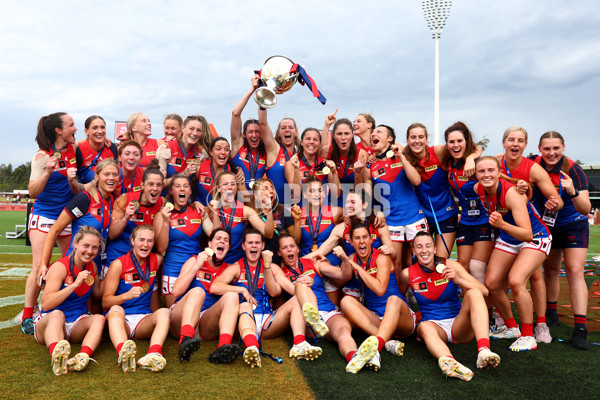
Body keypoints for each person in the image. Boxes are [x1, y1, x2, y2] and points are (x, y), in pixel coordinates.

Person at [271, 233, 385, 373]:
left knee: (343, 331)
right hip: (304, 319)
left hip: (328, 312)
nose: (289, 250)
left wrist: (344, 259)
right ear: (279, 252)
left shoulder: (314, 263)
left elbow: (344, 275)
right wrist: (307, 283)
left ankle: (353, 356)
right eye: (284, 247)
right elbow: (277, 294)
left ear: (298, 249)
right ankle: (314, 318)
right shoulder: (280, 273)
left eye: (292, 246)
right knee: (301, 285)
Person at [211, 230, 322, 367]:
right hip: (244, 319)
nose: (254, 246)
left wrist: (268, 267)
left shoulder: (273, 267)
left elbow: (277, 292)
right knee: (245, 305)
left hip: (268, 322)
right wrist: (241, 289)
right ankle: (252, 347)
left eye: (257, 242)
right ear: (243, 246)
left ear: (263, 246)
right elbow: (215, 286)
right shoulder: (236, 267)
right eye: (250, 243)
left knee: (296, 299)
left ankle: (299, 343)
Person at [399, 232, 501, 381]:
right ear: (413, 251)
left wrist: (459, 280)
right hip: (434, 327)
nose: (424, 250)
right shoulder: (407, 274)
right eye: (419, 247)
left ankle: (484, 350)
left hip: (458, 324)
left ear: (435, 249)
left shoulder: (450, 265)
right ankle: (450, 362)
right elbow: (400, 297)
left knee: (474, 293)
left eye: (428, 246)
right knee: (424, 326)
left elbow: (484, 291)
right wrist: (413, 317)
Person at [475, 156, 552, 352]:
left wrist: (501, 224)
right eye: (481, 171)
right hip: (509, 238)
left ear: (499, 171)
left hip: (535, 237)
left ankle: (528, 336)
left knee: (517, 280)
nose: (486, 175)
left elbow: (527, 234)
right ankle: (512, 328)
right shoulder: (478, 189)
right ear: (475, 174)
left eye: (491, 170)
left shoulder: (511, 193)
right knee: (491, 284)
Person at [498, 126, 564, 344]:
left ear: (526, 145)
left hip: (532, 229)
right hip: (505, 229)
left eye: (520, 140)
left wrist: (554, 202)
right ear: (504, 142)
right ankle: (503, 320)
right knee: (497, 279)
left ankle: (541, 324)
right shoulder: (496, 163)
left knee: (534, 276)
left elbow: (558, 200)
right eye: (511, 139)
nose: (515, 144)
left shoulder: (533, 169)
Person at [22, 112, 80, 335]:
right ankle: (28, 315)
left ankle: (65, 306)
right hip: (44, 216)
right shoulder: (42, 156)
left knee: (71, 264)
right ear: (59, 130)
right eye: (72, 125)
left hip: (66, 216)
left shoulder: (73, 149)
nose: (75, 128)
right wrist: (48, 172)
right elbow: (32, 191)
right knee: (39, 266)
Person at [533, 131, 591, 350]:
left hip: (573, 222)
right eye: (546, 148)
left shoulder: (574, 169)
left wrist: (573, 191)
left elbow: (586, 208)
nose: (551, 152)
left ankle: (580, 328)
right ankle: (552, 313)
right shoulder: (534, 166)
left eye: (556, 148)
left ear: (563, 147)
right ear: (539, 149)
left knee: (575, 270)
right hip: (547, 224)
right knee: (550, 269)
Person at [336, 222, 416, 373]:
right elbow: (342, 278)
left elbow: (380, 290)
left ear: (371, 239)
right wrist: (331, 263)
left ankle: (375, 350)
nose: (361, 241)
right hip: (378, 319)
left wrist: (358, 268)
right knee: (346, 301)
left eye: (365, 237)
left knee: (392, 299)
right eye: (357, 238)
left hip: (401, 318)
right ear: (351, 242)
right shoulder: (353, 257)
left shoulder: (382, 257)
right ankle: (387, 342)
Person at [34, 227, 105, 375]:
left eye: (94, 247)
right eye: (86, 246)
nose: (89, 251)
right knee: (57, 314)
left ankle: (83, 356)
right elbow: (46, 304)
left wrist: (114, 276)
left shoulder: (92, 266)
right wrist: (74, 285)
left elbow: (98, 294)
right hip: (50, 323)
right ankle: (58, 358)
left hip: (76, 322)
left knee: (98, 319)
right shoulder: (60, 267)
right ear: (76, 244)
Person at [103, 225, 170, 373]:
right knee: (115, 309)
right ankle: (123, 353)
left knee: (165, 312)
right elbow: (105, 301)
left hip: (142, 320)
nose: (145, 245)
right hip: (121, 319)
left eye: (150, 241)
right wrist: (126, 296)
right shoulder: (118, 264)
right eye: (141, 240)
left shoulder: (156, 260)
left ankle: (154, 353)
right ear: (132, 241)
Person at [40, 159, 119, 283]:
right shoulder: (84, 199)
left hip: (95, 264)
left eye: (115, 174)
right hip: (74, 264)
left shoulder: (114, 201)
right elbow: (55, 230)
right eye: (107, 174)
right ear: (97, 176)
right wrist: (44, 264)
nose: (111, 178)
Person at [171, 228, 242, 363]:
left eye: (226, 240)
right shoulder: (194, 260)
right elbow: (176, 291)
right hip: (181, 319)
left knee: (232, 295)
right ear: (209, 244)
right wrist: (197, 266)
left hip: (205, 322)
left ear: (228, 247)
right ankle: (184, 341)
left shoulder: (228, 269)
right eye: (218, 238)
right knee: (198, 291)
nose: (222, 241)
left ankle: (223, 348)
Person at [366, 124, 427, 272]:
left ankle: (418, 294)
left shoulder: (402, 154)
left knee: (419, 260)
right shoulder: (370, 166)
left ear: (389, 139)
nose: (374, 134)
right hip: (392, 220)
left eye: (379, 132)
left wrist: (402, 157)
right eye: (372, 132)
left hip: (414, 217)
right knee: (396, 264)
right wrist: (377, 211)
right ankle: (400, 295)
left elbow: (416, 181)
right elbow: (369, 197)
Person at [403, 123, 461, 258]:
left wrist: (470, 158)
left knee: (440, 261)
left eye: (421, 137)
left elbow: (472, 147)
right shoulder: (403, 157)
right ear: (407, 140)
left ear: (426, 139)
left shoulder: (439, 151)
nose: (417, 141)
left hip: (446, 215)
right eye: (413, 137)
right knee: (423, 260)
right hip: (421, 218)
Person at [444, 122, 491, 286]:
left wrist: (472, 157)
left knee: (477, 267)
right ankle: (470, 306)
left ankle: (487, 310)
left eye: (460, 141)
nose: (456, 145)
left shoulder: (477, 163)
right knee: (463, 267)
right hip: (465, 221)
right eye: (451, 142)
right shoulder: (449, 162)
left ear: (467, 141)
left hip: (484, 221)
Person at [154, 175, 212, 308]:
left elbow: (214, 235)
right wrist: (165, 222)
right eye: (178, 186)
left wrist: (207, 211)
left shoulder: (198, 211)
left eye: (186, 186)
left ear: (190, 191)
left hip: (195, 268)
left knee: (195, 312)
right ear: (171, 191)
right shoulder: (162, 214)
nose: (182, 189)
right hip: (172, 270)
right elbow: (161, 249)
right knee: (173, 315)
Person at [106, 167, 165, 273]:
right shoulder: (125, 199)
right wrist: (126, 217)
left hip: (141, 262)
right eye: (151, 184)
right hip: (117, 256)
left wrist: (195, 204)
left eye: (159, 185)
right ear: (142, 185)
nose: (155, 188)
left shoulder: (162, 203)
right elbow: (111, 234)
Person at [208, 171, 274, 264]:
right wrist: (215, 212)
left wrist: (269, 211)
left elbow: (268, 234)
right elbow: (215, 237)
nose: (230, 187)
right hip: (216, 262)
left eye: (233, 184)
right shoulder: (209, 209)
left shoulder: (245, 210)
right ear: (218, 188)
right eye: (225, 184)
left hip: (237, 264)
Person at [319, 111, 370, 206]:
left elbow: (360, 191)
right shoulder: (326, 152)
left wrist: (357, 174)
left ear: (352, 135)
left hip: (354, 204)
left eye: (346, 133)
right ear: (333, 136)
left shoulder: (361, 154)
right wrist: (327, 125)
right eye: (339, 134)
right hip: (334, 203)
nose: (343, 138)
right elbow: (321, 148)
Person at [251, 178, 301, 267]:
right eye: (265, 188)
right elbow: (268, 235)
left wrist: (297, 220)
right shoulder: (252, 214)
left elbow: (295, 240)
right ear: (256, 195)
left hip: (285, 262)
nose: (270, 191)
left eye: (272, 188)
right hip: (263, 263)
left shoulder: (282, 210)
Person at [231, 76, 267, 191]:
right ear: (244, 134)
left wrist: (263, 93)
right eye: (250, 132)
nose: (254, 135)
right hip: (238, 202)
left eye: (257, 132)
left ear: (261, 135)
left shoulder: (266, 152)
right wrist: (253, 89)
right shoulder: (238, 146)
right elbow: (235, 113)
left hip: (259, 201)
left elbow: (263, 121)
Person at [284, 128, 340, 202]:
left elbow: (336, 195)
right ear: (301, 142)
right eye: (308, 139)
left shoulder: (325, 164)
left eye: (315, 140)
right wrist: (297, 169)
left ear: (320, 144)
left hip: (323, 211)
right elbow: (297, 193)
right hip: (301, 211)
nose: (311, 142)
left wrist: (334, 172)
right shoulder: (291, 164)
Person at [259, 108, 299, 205]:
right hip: (275, 209)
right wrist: (263, 102)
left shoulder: (301, 154)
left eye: (290, 127)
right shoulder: (274, 150)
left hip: (297, 208)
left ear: (296, 131)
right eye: (283, 128)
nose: (287, 130)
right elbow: (263, 124)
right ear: (278, 133)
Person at [157, 115, 207, 185]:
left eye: (198, 130)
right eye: (191, 129)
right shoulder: (166, 149)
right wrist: (184, 174)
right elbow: (158, 184)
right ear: (183, 128)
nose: (195, 133)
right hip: (166, 195)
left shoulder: (202, 153)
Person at [196, 137, 239, 206]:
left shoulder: (231, 169)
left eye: (226, 149)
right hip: (201, 212)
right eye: (218, 149)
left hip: (222, 213)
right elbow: (189, 189)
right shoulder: (199, 167)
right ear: (211, 152)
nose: (223, 152)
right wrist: (195, 203)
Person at [76, 115, 118, 185]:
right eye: (95, 128)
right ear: (86, 131)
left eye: (102, 127)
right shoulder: (79, 150)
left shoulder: (112, 147)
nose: (100, 131)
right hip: (87, 193)